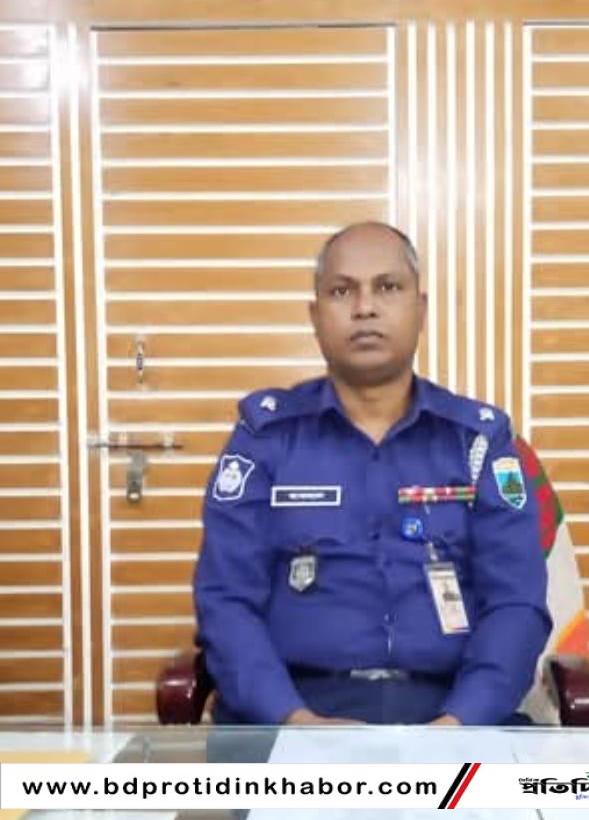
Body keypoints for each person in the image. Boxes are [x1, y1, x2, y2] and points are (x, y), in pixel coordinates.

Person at [194, 221, 551, 727]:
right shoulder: (266, 439)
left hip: (452, 715)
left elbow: (516, 603)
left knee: (481, 783)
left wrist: (458, 726)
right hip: (296, 715)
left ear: (420, 310)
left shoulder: (477, 442)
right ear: (316, 317)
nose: (365, 307)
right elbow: (226, 602)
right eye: (342, 291)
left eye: (388, 287)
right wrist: (297, 722)